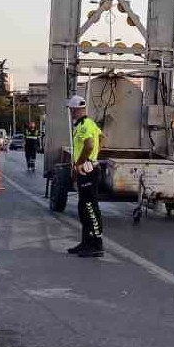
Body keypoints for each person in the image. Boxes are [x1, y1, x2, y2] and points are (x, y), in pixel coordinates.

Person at [66, 95, 104, 258]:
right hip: (86, 169)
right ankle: (86, 242)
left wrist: (82, 162)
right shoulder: (87, 124)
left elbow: (89, 144)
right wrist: (95, 154)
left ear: (75, 109)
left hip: (88, 170)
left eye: (72, 110)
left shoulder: (85, 125)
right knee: (83, 207)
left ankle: (97, 244)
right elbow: (102, 138)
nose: (71, 113)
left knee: (90, 207)